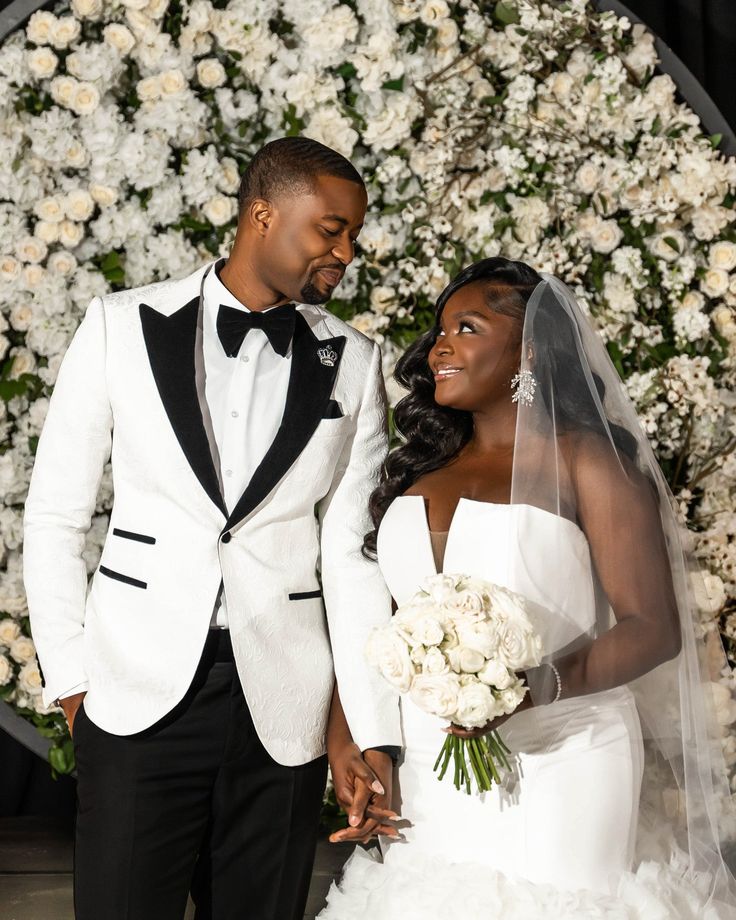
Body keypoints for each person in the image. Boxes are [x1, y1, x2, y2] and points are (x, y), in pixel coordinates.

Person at [23, 136, 401, 920]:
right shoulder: (119, 326)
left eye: (354, 235)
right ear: (263, 215)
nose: (346, 251)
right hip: (135, 699)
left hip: (283, 710)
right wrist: (74, 688)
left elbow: (350, 559)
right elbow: (55, 515)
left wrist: (369, 730)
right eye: (330, 230)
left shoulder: (356, 363)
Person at [321, 258, 736, 918]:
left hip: (565, 752)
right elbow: (379, 624)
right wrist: (353, 742)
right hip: (431, 757)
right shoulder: (417, 467)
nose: (439, 346)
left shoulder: (587, 460)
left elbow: (652, 627)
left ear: (532, 349)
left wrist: (536, 686)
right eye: (438, 329)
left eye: (467, 327)